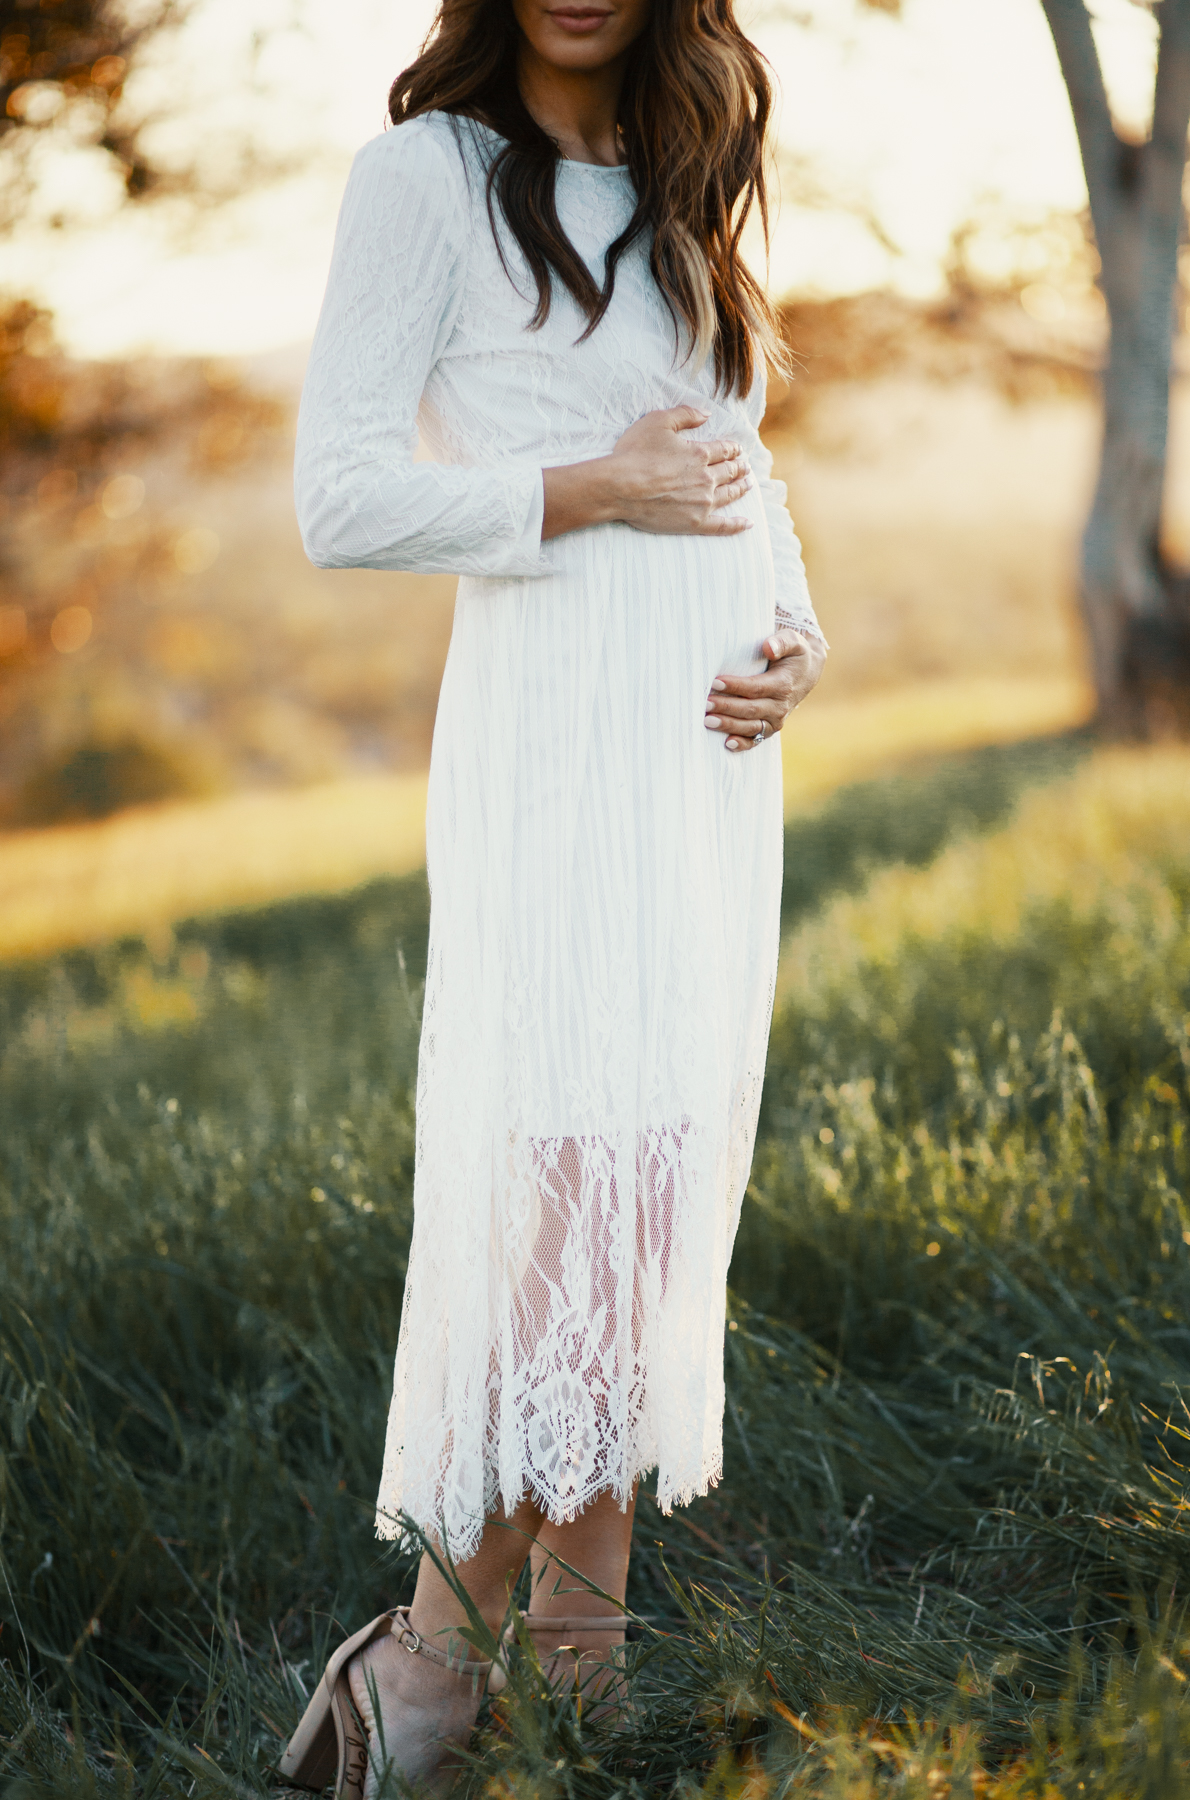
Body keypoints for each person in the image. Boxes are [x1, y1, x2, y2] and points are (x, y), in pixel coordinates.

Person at [281, 0, 826, 1790]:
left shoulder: (688, 175)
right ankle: (433, 1666)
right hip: (559, 740)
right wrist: (593, 489)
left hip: (703, 766)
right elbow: (344, 497)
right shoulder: (423, 179)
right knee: (587, 1199)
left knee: (654, 1198)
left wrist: (793, 637)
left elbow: (733, 459)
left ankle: (581, 1681)